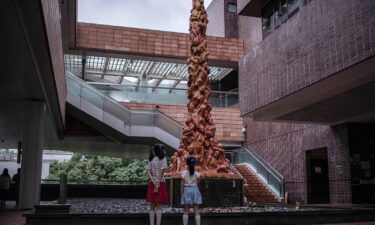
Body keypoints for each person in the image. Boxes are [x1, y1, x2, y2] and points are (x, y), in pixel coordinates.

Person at [146, 144, 168, 225]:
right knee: (159, 205)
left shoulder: (151, 159)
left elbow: (148, 172)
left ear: (154, 150)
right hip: (161, 183)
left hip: (152, 184)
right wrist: (158, 184)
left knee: (152, 205)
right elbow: (162, 172)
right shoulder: (163, 159)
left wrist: (154, 183)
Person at [181, 156, 202, 225]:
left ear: (186, 163)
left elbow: (182, 185)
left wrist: (182, 194)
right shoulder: (197, 174)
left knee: (186, 210)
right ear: (195, 164)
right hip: (195, 190)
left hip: (186, 190)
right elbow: (198, 182)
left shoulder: (183, 173)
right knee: (196, 210)